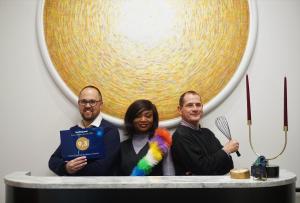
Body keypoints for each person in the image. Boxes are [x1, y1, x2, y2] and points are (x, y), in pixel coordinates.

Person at [48, 85, 120, 176]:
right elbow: (53, 161)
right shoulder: (73, 132)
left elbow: (102, 169)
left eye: (92, 102)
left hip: (100, 189)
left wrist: (73, 170)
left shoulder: (110, 131)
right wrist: (66, 168)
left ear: (100, 104)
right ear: (78, 104)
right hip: (74, 189)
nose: (87, 105)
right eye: (83, 102)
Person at [171, 90, 239, 175]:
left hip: (215, 187)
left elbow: (228, 165)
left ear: (202, 108)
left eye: (198, 105)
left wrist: (211, 163)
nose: (195, 109)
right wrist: (226, 150)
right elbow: (202, 170)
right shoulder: (180, 136)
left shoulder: (208, 133)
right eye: (190, 105)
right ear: (180, 109)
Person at [118, 99, 174, 176]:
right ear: (131, 119)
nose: (143, 119)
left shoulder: (161, 145)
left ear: (153, 119)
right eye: (138, 116)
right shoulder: (121, 147)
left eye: (148, 116)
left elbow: (169, 176)